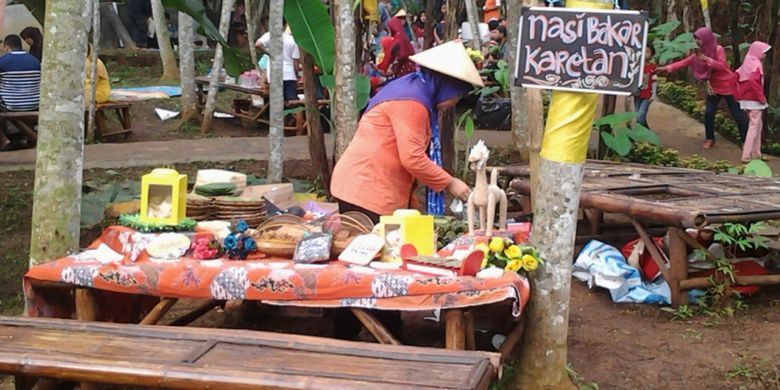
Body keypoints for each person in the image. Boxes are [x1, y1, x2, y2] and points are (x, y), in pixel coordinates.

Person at [330, 40, 482, 223]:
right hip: (367, 189)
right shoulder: (412, 102)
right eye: (457, 96)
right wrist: (450, 183)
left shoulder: (413, 87)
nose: (454, 103)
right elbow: (413, 158)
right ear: (446, 85)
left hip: (368, 185)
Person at [658, 27, 748, 149]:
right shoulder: (698, 52)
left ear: (706, 38)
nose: (697, 41)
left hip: (728, 85)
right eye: (695, 38)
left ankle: (746, 142)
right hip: (713, 87)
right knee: (709, 113)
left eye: (698, 38)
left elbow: (722, 66)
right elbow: (685, 62)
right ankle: (710, 138)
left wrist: (707, 59)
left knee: (737, 114)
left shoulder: (718, 49)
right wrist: (667, 68)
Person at [0, 35, 41, 150]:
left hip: (11, 106)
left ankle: (4, 140)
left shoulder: (2, 61)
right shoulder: (35, 61)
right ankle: (29, 137)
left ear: (6, 47)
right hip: (34, 104)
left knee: (3, 107)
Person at [735, 41, 771, 162]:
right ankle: (746, 154)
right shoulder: (756, 64)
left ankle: (756, 153)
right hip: (754, 99)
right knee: (754, 126)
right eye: (764, 52)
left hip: (745, 98)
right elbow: (753, 82)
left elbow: (737, 74)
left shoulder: (747, 61)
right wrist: (761, 98)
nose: (765, 55)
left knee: (758, 125)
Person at [256, 22, 301, 101]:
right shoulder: (292, 40)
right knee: (293, 102)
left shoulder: (269, 36)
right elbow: (296, 62)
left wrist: (269, 53)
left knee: (276, 101)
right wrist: (296, 75)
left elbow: (257, 44)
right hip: (289, 74)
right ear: (285, 25)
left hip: (274, 74)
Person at [633, 45, 657, 129]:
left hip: (647, 95)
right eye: (643, 51)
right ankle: (648, 133)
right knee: (639, 115)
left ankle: (642, 135)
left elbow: (654, 81)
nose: (645, 54)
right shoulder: (636, 65)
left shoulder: (652, 67)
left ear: (651, 54)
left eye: (647, 52)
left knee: (640, 116)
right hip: (637, 94)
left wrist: (654, 94)